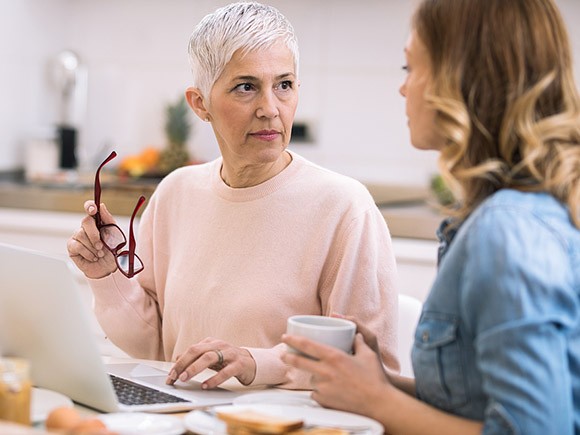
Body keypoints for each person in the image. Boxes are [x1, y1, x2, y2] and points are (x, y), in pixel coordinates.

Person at [67, 1, 399, 390]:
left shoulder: (344, 207)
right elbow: (156, 346)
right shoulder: (176, 192)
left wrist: (255, 362)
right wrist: (105, 276)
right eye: (246, 87)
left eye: (284, 85)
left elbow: (371, 367)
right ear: (200, 103)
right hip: (184, 415)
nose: (270, 109)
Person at [282, 0, 580, 432]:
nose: (403, 89)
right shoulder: (498, 220)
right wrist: (378, 384)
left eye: (409, 68)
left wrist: (380, 402)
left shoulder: (507, 230)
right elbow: (478, 406)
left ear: (460, 80)